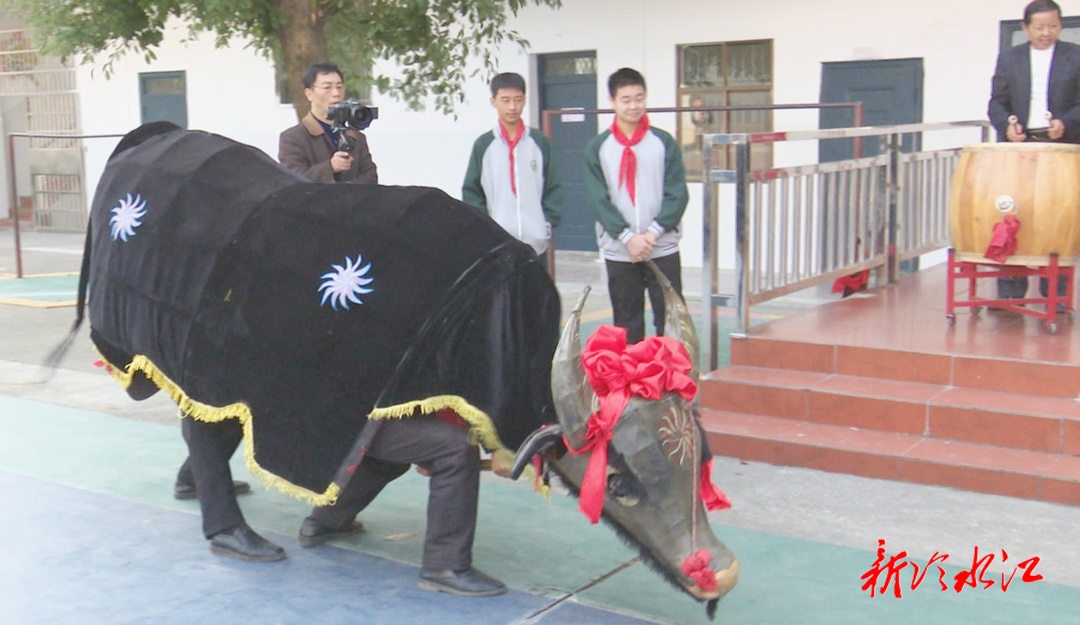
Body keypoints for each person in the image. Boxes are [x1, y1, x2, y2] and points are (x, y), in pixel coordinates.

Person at [296, 414, 505, 597]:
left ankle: (326, 520)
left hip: (316, 411)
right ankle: (446, 566)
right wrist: (499, 446)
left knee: (393, 452)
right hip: (343, 413)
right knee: (454, 447)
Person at [585, 67, 689, 344]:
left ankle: (669, 384)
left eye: (639, 98)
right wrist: (628, 238)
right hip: (621, 250)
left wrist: (652, 233)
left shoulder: (663, 142)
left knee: (670, 321)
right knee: (626, 322)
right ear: (612, 101)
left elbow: (677, 192)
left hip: (662, 246)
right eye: (626, 99)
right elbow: (598, 199)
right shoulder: (598, 147)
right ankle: (632, 384)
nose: (634, 105)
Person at [987, 0, 1080, 308]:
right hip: (1019, 147)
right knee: (1014, 214)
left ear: (1060, 25)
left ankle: (1055, 295)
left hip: (1060, 147)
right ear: (1025, 27)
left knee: (1057, 217)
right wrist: (1007, 125)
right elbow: (996, 103)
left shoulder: (1075, 56)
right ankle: (1010, 294)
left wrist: (1065, 122)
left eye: (1052, 26)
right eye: (1039, 27)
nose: (1046, 33)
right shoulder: (1010, 58)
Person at [462, 72, 561, 255]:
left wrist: (546, 225)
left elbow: (553, 186)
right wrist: (487, 227)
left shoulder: (538, 142)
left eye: (518, 99)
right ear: (493, 101)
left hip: (536, 245)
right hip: (498, 245)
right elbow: (471, 191)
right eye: (505, 100)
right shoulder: (484, 145)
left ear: (525, 100)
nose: (512, 107)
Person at [278, 61, 378, 184]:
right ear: (309, 94)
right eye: (327, 88)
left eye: (339, 87)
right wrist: (330, 167)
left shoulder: (355, 136)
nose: (336, 93)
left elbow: (371, 177)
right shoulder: (293, 138)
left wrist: (346, 191)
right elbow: (292, 180)